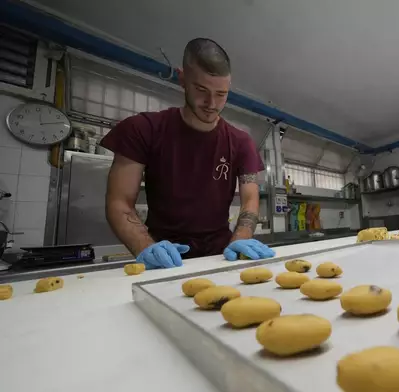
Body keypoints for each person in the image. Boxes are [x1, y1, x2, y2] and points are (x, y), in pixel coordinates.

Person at [100, 38, 275, 269]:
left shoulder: (241, 142)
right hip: (162, 255)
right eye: (201, 90)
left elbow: (250, 199)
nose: (211, 103)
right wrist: (144, 246)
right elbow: (119, 201)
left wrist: (241, 238)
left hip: (220, 257)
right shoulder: (143, 129)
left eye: (221, 94)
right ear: (182, 79)